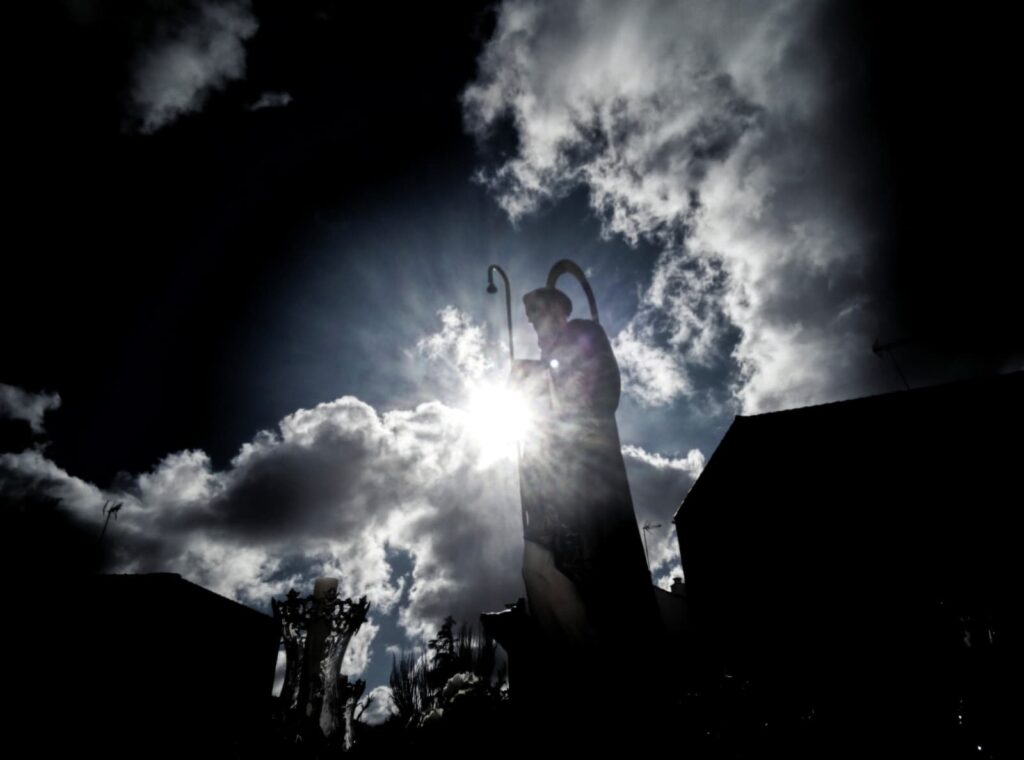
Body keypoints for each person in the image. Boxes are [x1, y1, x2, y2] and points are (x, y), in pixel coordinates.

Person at [512, 286, 658, 659]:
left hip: (589, 479)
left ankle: (610, 653)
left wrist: (541, 374)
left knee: (597, 570)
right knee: (543, 567)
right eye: (530, 321)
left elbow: (596, 391)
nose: (535, 327)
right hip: (554, 484)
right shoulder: (548, 355)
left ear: (559, 312)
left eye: (538, 316)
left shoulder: (583, 334)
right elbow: (541, 420)